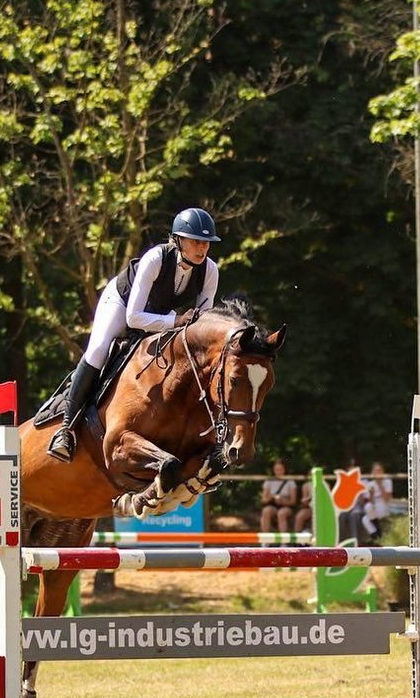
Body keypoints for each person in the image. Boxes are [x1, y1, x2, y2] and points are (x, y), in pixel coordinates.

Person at [48, 207, 222, 461]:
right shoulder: (155, 258)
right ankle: (66, 429)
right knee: (98, 350)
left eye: (206, 243)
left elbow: (201, 325)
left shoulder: (210, 271)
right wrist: (176, 321)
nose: (202, 248)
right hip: (123, 303)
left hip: (161, 313)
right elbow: (134, 318)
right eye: (196, 241)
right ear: (178, 240)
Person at [259, 458, 298, 537]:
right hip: (273, 505)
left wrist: (283, 501)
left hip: (286, 507)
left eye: (280, 469)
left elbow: (293, 501)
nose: (278, 472)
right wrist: (271, 497)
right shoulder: (269, 481)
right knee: (266, 511)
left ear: (285, 470)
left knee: (281, 513)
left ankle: (284, 542)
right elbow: (263, 500)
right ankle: (265, 541)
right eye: (276, 469)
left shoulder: (290, 482)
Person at [361, 461, 393, 542]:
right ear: (372, 473)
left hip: (384, 505)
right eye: (376, 471)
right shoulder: (370, 484)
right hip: (374, 507)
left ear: (383, 472)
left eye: (379, 470)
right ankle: (376, 536)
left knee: (369, 511)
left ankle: (377, 529)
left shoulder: (387, 482)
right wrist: (371, 494)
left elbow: (386, 499)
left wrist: (380, 485)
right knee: (365, 518)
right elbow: (370, 502)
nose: (378, 473)